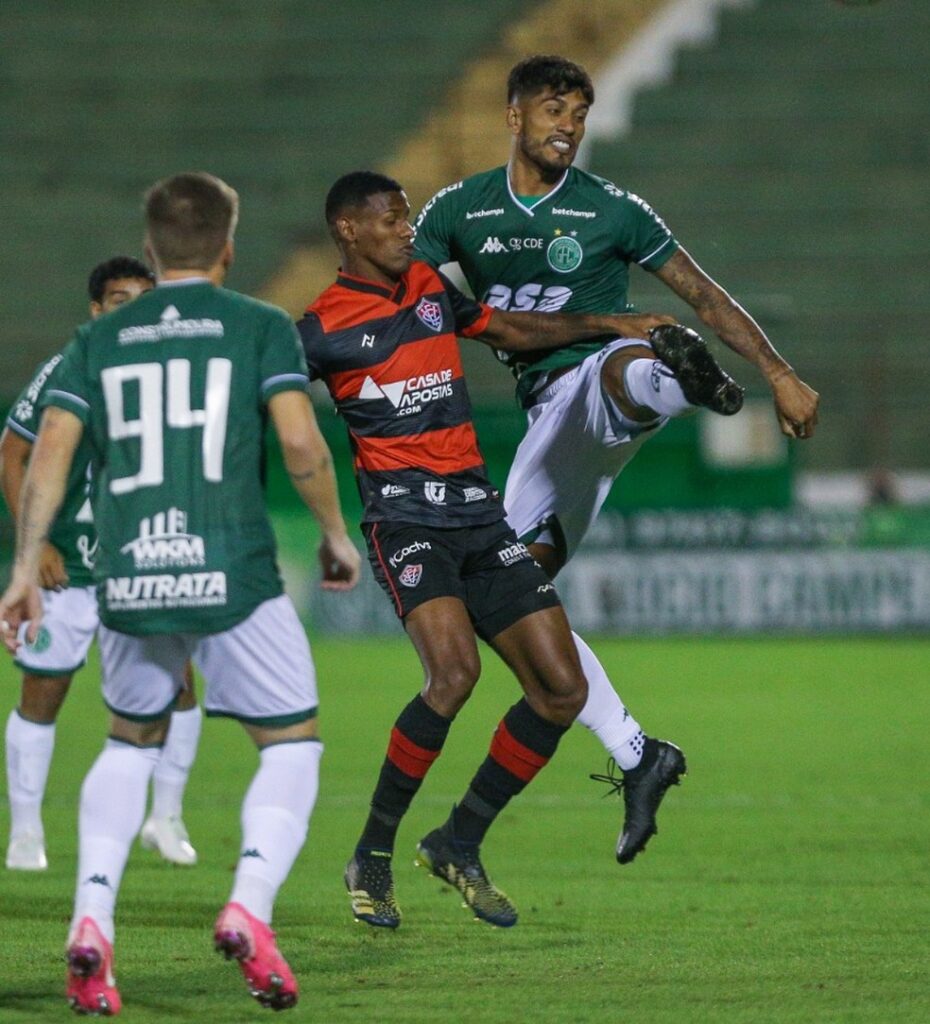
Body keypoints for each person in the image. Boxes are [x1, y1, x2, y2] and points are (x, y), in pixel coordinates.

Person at [413, 54, 821, 862]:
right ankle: (638, 754)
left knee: (619, 363)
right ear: (514, 115)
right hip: (557, 439)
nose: (569, 124)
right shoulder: (462, 209)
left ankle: (674, 378)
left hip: (588, 393)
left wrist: (776, 370)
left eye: (580, 113)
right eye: (555, 108)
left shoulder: (610, 210)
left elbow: (700, 290)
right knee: (510, 605)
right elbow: (408, 291)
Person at [0, 172, 360, 1015]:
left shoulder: (100, 340)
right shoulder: (260, 327)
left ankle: (92, 922)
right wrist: (335, 534)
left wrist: (23, 565)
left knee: (127, 741)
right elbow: (300, 441)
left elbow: (50, 450)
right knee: (293, 742)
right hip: (231, 568)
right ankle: (249, 905)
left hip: (128, 570)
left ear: (153, 249)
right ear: (229, 248)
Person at [298, 170, 679, 932]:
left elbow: (507, 330)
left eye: (408, 215)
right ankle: (372, 853)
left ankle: (457, 842)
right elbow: (265, 402)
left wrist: (607, 325)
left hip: (478, 515)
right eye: (392, 218)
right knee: (454, 675)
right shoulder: (319, 327)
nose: (409, 228)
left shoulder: (431, 292)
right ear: (349, 230)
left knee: (562, 690)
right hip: (405, 521)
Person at [2, 256, 202, 871]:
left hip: (141, 564)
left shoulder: (176, 374)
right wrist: (37, 548)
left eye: (144, 298)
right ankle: (27, 831)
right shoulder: (68, 368)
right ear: (97, 310)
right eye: (120, 300)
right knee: (45, 688)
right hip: (69, 572)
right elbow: (13, 454)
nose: (133, 310)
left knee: (180, 691)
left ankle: (165, 818)